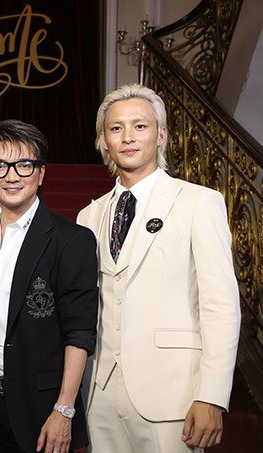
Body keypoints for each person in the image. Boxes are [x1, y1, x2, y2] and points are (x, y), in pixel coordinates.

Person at [77, 83, 241, 452]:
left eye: (140, 126)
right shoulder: (88, 215)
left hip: (173, 395)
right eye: (116, 128)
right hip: (99, 394)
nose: (128, 137)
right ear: (103, 140)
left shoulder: (198, 202)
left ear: (161, 134)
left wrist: (212, 395)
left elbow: (220, 305)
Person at [0, 119, 99, 453]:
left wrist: (64, 409)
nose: (11, 176)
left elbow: (80, 332)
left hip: (41, 409)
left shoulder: (71, 240)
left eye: (24, 165)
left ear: (41, 173)